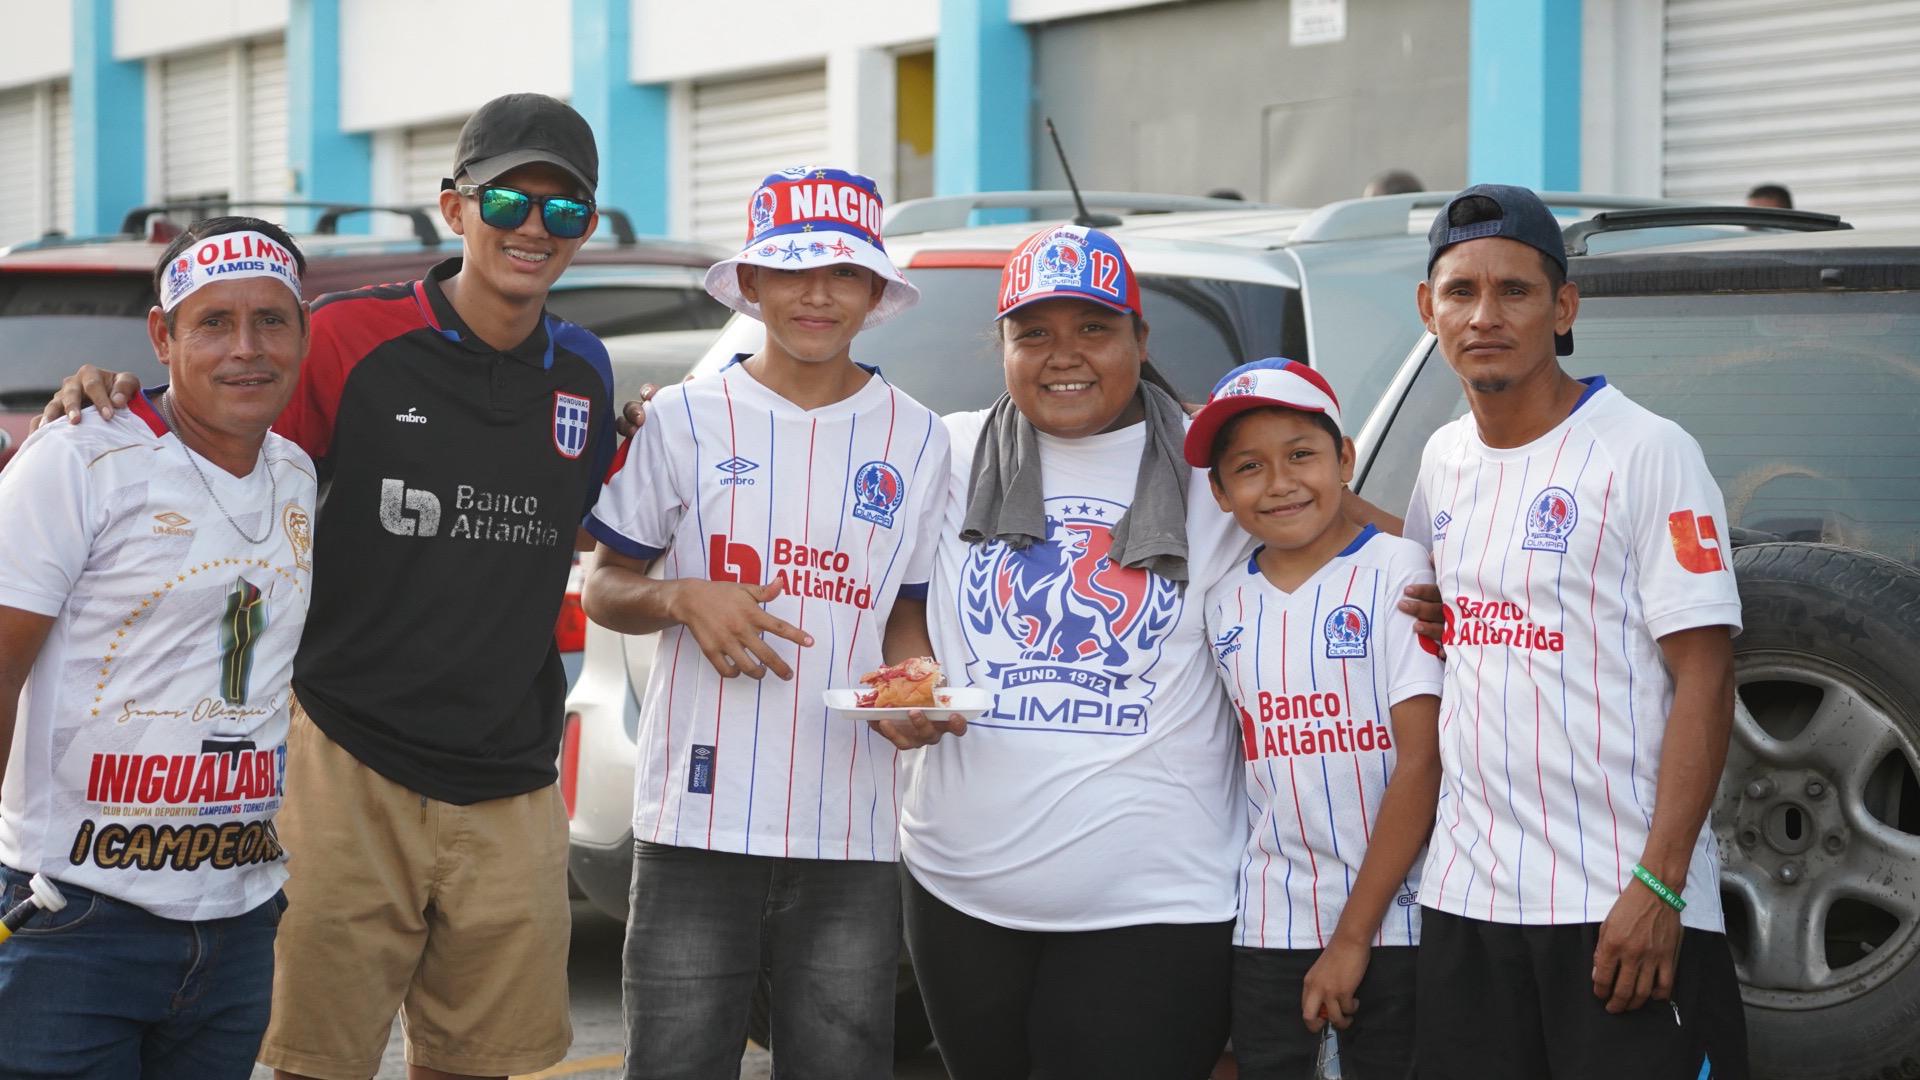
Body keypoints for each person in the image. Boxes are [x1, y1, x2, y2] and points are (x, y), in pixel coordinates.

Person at [44, 93, 620, 1080]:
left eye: (563, 211)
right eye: (509, 203)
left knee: (479, 1064)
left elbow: (602, 515)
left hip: (514, 779)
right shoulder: (351, 340)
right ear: (454, 207)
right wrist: (110, 398)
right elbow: (224, 439)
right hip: (346, 762)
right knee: (316, 1061)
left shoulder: (583, 368)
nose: (535, 229)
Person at [581, 167, 952, 1080]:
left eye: (841, 273)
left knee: (839, 1065)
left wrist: (919, 691)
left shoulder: (920, 437)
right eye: (790, 271)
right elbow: (604, 588)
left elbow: (906, 614)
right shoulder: (685, 419)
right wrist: (681, 596)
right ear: (751, 286)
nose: (816, 294)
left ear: (874, 293)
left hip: (852, 825)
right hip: (694, 821)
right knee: (676, 1062)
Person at [1404, 184, 1747, 1078]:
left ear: (1563, 308)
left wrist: (1662, 887)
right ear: (1427, 310)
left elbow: (1707, 680)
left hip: (1620, 908)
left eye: (1515, 290)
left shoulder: (1646, 451)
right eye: (1460, 291)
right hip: (1466, 903)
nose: (1486, 315)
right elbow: (1425, 590)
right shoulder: (1442, 460)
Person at [897, 224, 1248, 1080]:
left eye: (1094, 328)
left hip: (1156, 903)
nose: (1065, 355)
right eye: (1035, 333)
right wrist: (913, 678)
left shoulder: (1219, 465)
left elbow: (1337, 529)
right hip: (957, 891)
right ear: (1003, 345)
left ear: (1139, 338)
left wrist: (1432, 580)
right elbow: (874, 566)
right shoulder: (946, 449)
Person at [0, 217, 317, 1078]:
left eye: (271, 320)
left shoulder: (297, 475)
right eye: (213, 322)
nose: (245, 349)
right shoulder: (78, 460)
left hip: (237, 923)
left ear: (303, 332)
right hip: (73, 918)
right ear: (162, 337)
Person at [1183, 358, 1443, 1079]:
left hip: (1400, 925)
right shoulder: (1223, 603)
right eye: (1250, 467)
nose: (1281, 482)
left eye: (1302, 454)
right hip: (1271, 926)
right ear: (1221, 491)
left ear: (1345, 457)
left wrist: (1353, 937)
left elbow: (1422, 762)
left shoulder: (1401, 572)